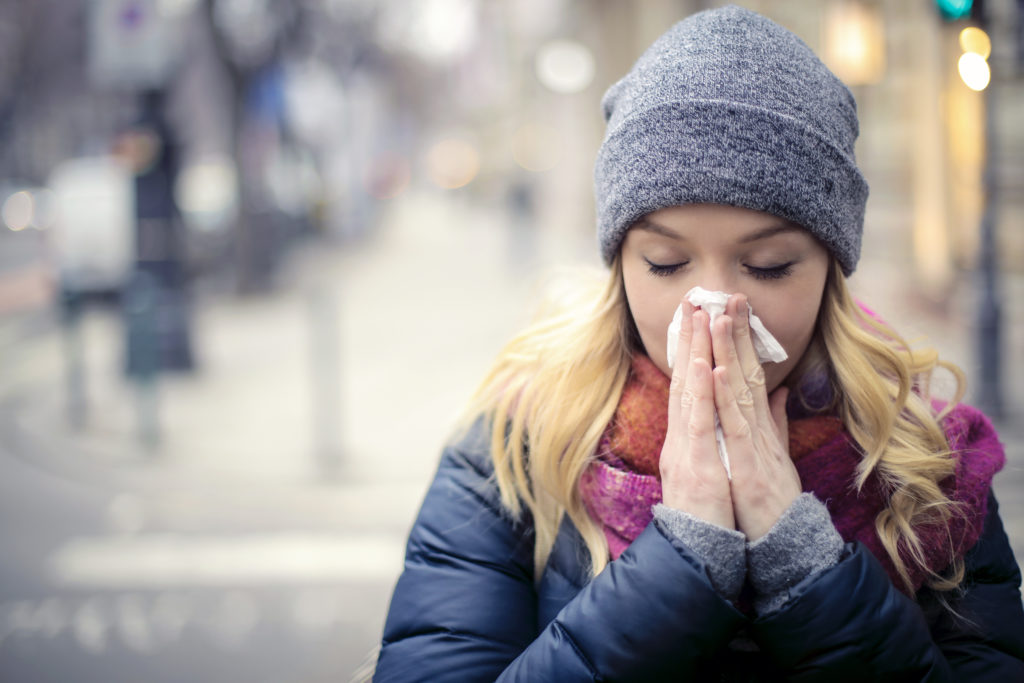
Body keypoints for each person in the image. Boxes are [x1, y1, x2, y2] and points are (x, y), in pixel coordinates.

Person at [373, 6, 1024, 681]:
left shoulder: (929, 467)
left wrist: (804, 564)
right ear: (620, 266)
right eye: (664, 262)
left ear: (831, 264)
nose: (712, 307)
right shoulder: (513, 448)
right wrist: (679, 564)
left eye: (768, 265)